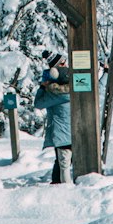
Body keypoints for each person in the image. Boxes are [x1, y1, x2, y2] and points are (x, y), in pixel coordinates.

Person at [34, 53, 72, 183]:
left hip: (62, 135)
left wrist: (43, 87)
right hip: (75, 132)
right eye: (62, 63)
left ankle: (60, 188)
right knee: (65, 163)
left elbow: (38, 104)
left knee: (63, 165)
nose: (65, 65)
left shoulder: (55, 94)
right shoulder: (77, 88)